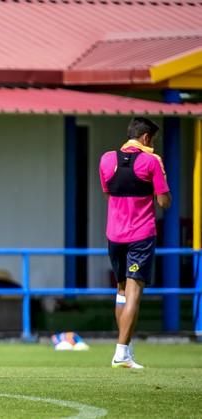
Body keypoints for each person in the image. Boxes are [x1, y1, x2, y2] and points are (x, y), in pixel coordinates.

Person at [99, 117, 171, 369]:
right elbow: (163, 202)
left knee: (120, 292)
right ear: (146, 138)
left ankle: (124, 349)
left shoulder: (107, 159)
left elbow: (107, 192)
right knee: (134, 294)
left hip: (113, 234)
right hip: (140, 234)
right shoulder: (152, 162)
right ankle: (122, 353)